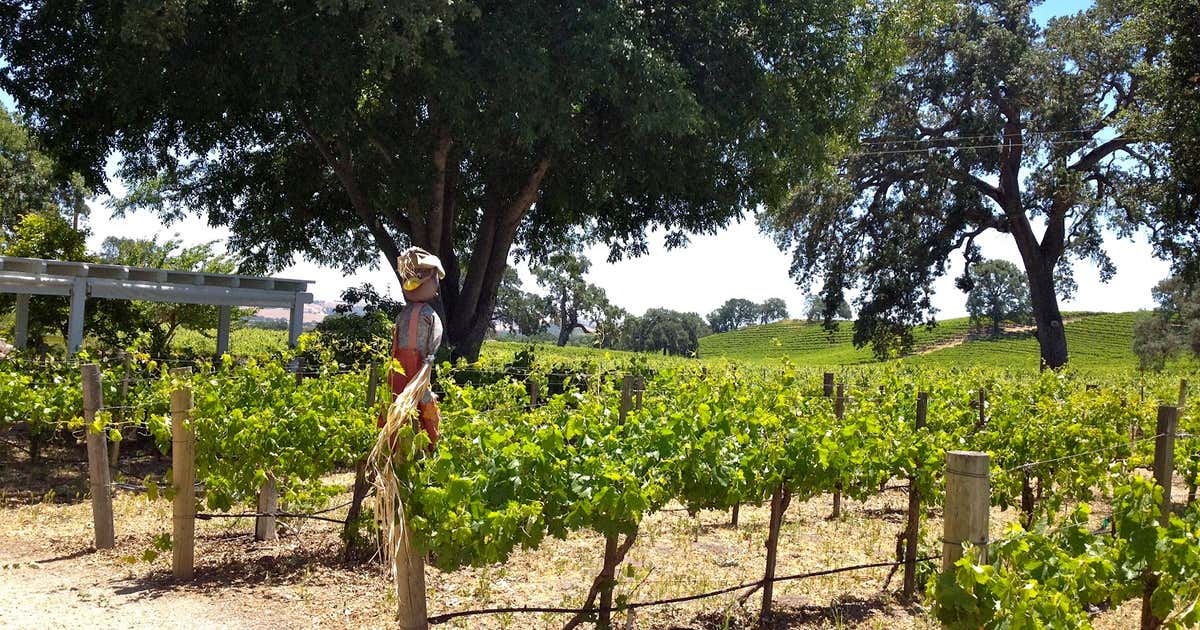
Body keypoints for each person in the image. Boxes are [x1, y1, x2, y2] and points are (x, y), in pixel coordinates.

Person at [383, 247, 443, 447]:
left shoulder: (428, 314)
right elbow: (396, 336)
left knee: (421, 399)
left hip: (419, 366)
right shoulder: (407, 313)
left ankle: (429, 442)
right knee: (396, 400)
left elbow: (435, 338)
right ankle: (393, 445)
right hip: (399, 364)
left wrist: (429, 360)